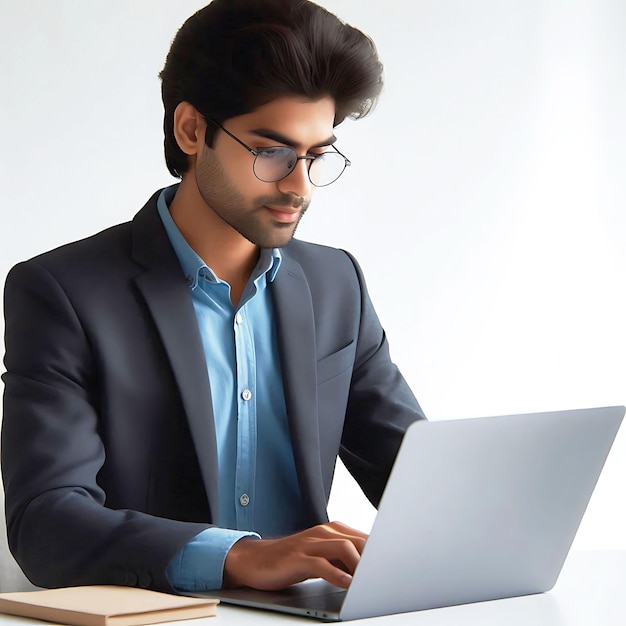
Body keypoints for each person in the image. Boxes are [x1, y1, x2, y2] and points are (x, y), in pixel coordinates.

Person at [1, 0, 425, 594]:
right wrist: (238, 557)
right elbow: (45, 524)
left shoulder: (336, 286)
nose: (299, 186)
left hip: (307, 613)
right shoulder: (65, 293)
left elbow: (419, 482)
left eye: (316, 155)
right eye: (272, 151)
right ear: (192, 130)